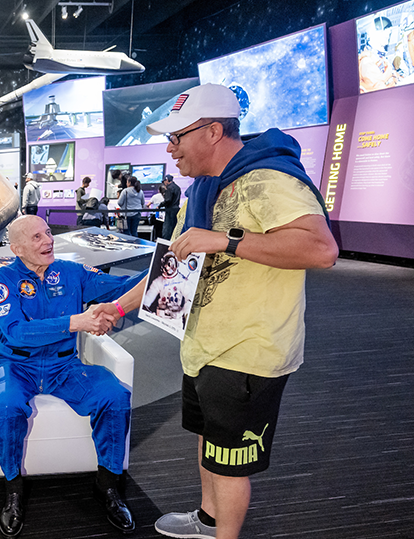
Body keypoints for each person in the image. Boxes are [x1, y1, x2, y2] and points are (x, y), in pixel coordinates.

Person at [94, 83, 338, 539]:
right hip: (204, 345)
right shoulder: (202, 189)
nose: (170, 150)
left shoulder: (268, 178)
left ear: (211, 132)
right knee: (211, 445)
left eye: (177, 138)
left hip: (248, 351)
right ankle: (208, 520)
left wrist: (227, 240)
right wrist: (116, 307)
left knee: (229, 465)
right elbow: (173, 266)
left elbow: (321, 248)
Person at [0, 215, 146, 536]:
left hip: (64, 366)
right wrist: (76, 321)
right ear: (16, 248)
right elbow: (15, 332)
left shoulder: (71, 273)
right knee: (5, 407)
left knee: (114, 396)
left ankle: (108, 485)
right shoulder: (2, 281)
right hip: (17, 366)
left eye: (48, 233)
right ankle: (13, 489)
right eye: (36, 237)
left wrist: (162, 267)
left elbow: (122, 288)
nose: (48, 240)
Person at [159, 174, 181, 241]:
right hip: (176, 209)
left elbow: (168, 200)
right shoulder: (177, 187)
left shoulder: (169, 188)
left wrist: (160, 205)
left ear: (167, 180)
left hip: (170, 210)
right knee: (174, 228)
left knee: (167, 229)